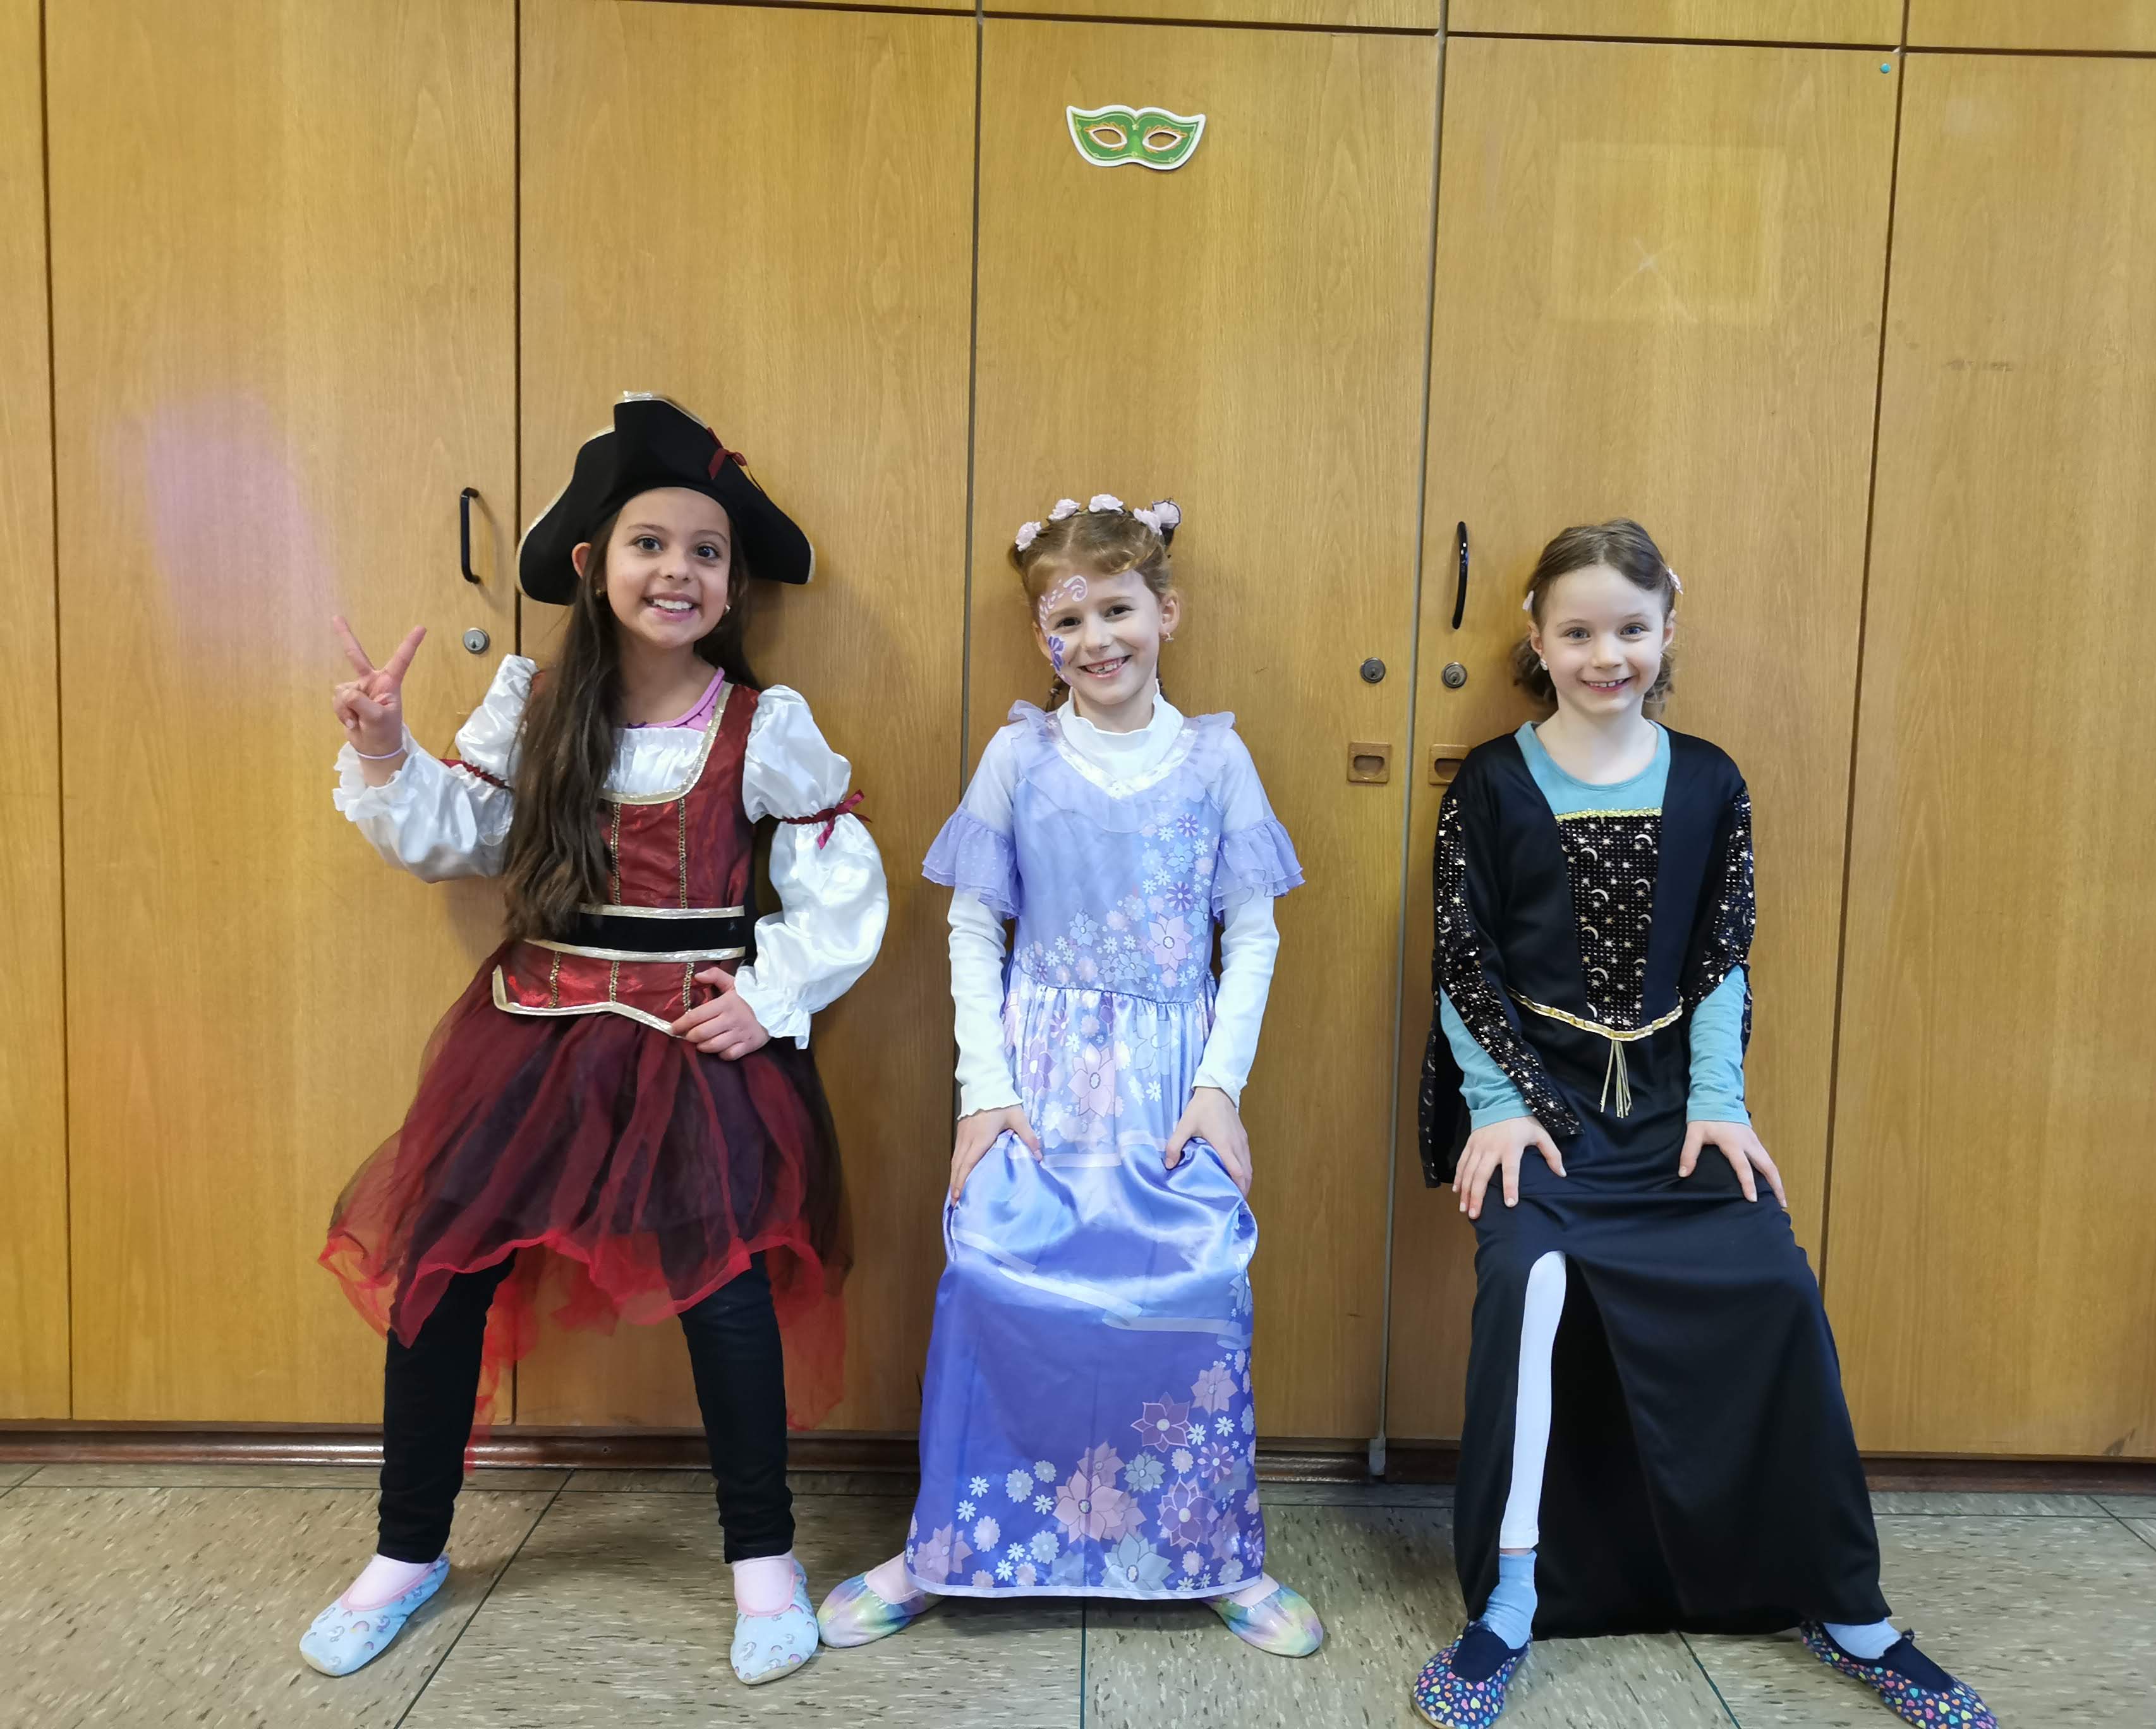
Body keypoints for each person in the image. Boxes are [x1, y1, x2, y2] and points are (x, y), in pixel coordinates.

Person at [301, 395, 885, 1685]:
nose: (678, 571)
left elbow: (841, 879)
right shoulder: (536, 708)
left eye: (706, 552)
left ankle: (764, 1558)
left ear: (732, 585)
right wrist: (388, 749)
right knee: (441, 1269)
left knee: (725, 1290)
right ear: (591, 564)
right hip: (532, 1034)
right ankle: (407, 1548)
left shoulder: (760, 727)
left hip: (693, 1046)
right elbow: (463, 839)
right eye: (649, 544)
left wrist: (773, 994)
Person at [1410, 520, 1995, 1729]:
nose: (1606, 656)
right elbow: (1463, 961)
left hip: (1678, 1118)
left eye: (1631, 630)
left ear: (1668, 631)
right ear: (1537, 640)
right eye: (1579, 632)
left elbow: (1725, 957)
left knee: (1777, 1283)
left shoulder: (1713, 780)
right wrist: (1501, 1109)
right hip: (1543, 1113)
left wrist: (1720, 1105)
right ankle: (1510, 1602)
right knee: (1531, 1284)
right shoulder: (1492, 783)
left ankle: (1847, 1606)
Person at [818, 494, 1322, 1656]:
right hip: (1039, 1075)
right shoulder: (1019, 756)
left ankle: (1213, 1550)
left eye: (1118, 610)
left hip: (1171, 1080)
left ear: (1165, 613)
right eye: (1068, 621)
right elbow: (971, 926)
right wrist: (985, 1092)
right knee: (994, 1281)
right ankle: (949, 1543)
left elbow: (1252, 933)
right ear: (1042, 636)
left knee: (1191, 1292)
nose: (1097, 639)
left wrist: (1220, 1087)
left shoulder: (1217, 760)